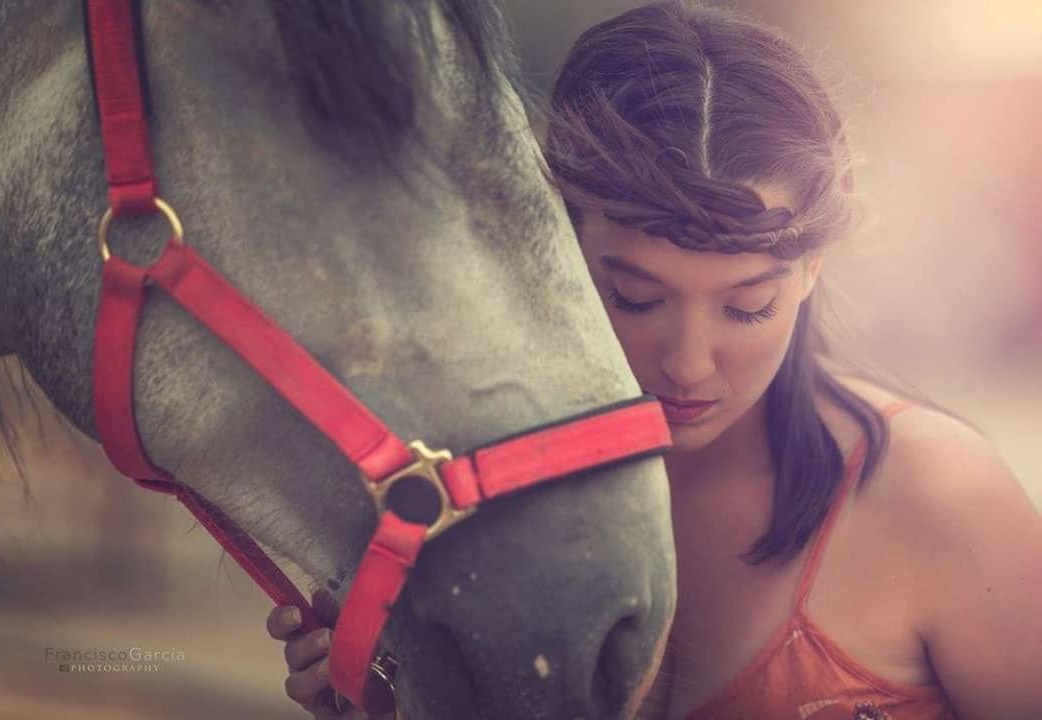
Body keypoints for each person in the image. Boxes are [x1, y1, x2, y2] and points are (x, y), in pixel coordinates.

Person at [266, 2, 1042, 718]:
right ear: (556, 245)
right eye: (636, 298)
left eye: (748, 307)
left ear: (814, 265)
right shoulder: (470, 497)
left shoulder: (938, 498)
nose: (691, 366)